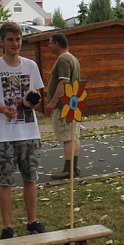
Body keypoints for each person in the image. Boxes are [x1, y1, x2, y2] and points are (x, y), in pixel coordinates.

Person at [0, 21, 46, 239]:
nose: (15, 43)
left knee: (30, 178)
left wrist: (34, 102)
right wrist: (1, 109)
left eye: (18, 39)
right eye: (10, 39)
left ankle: (32, 221)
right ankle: (7, 227)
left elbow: (38, 95)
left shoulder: (31, 66)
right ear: (2, 42)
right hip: (4, 136)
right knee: (5, 182)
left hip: (29, 132)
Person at [43, 33, 82, 179]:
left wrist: (53, 102)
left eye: (50, 43)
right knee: (73, 135)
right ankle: (74, 167)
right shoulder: (72, 58)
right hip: (73, 103)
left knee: (68, 136)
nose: (48, 46)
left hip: (64, 105)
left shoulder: (64, 59)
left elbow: (64, 82)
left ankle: (68, 170)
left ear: (58, 43)